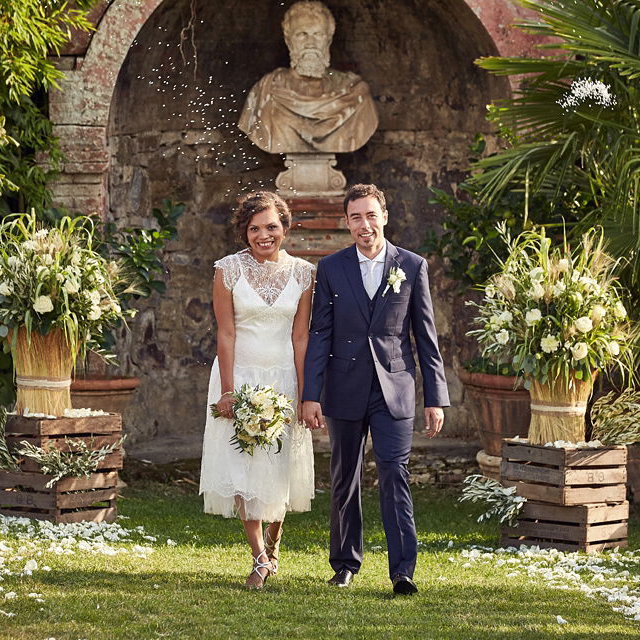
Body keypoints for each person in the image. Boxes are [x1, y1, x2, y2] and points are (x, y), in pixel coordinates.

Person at [301, 183, 450, 595]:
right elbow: (320, 335)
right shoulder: (331, 267)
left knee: (393, 474)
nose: (364, 225)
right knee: (344, 477)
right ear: (346, 223)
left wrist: (435, 399)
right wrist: (310, 395)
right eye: (355, 217)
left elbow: (426, 338)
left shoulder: (413, 266)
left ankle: (403, 571)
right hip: (343, 388)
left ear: (384, 216)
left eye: (370, 215)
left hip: (395, 390)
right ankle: (346, 564)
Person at [198, 191, 316, 589]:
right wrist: (228, 391)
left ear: (284, 226)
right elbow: (226, 331)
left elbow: (301, 337)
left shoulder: (304, 273)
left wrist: (303, 393)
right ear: (243, 232)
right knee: (242, 468)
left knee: (279, 467)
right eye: (254, 228)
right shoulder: (227, 270)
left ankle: (275, 543)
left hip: (284, 377)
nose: (263, 235)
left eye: (271, 226)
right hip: (240, 375)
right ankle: (259, 556)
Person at [237, 1, 378, 154]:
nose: (310, 43)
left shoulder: (355, 93)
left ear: (328, 40)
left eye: (318, 34)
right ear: (288, 40)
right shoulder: (265, 91)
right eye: (302, 34)